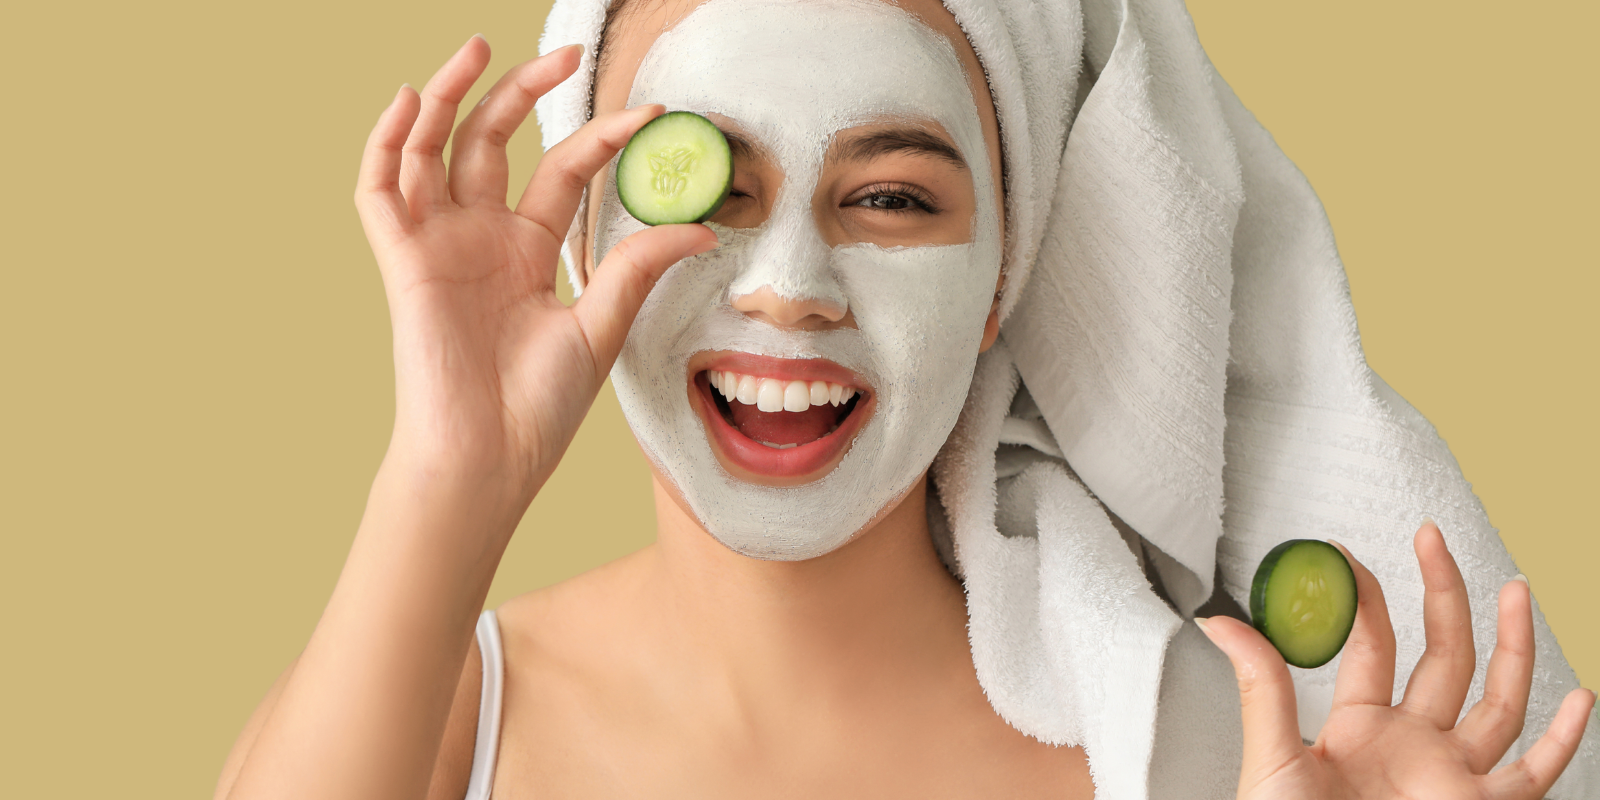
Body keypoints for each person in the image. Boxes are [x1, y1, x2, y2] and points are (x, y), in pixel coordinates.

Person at [213, 0, 1596, 797]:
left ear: (1008, 267)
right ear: (584, 241)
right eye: (708, 181)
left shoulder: (1194, 756)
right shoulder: (429, 715)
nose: (789, 287)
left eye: (889, 196)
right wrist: (451, 473)